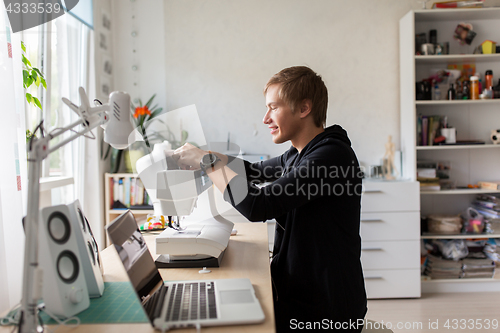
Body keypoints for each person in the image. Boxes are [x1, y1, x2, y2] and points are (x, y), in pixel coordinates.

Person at [172, 66, 367, 332]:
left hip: (326, 310)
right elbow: (253, 171)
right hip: (302, 295)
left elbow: (257, 205)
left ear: (303, 108)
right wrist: (203, 154)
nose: (266, 118)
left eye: (273, 108)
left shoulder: (329, 157)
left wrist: (207, 162)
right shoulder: (298, 154)